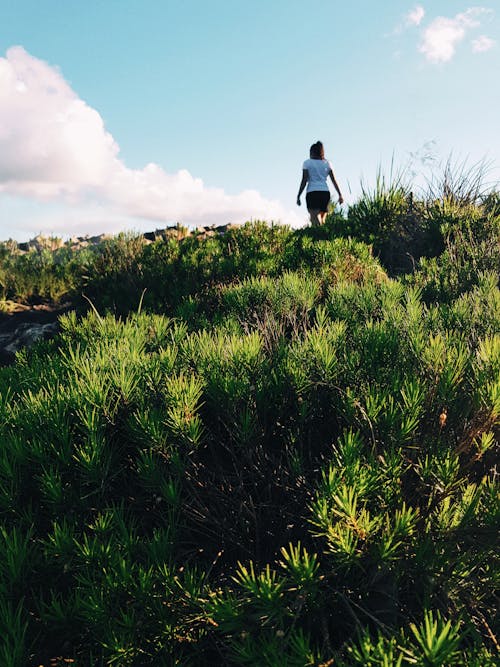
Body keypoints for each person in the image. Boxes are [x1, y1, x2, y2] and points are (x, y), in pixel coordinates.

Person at [296, 141, 344, 226]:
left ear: (311, 152)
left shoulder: (307, 163)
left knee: (314, 219)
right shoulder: (327, 163)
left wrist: (298, 195)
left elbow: (304, 180)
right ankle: (323, 237)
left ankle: (318, 237)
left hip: (312, 192)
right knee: (322, 220)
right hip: (325, 193)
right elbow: (334, 180)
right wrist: (340, 194)